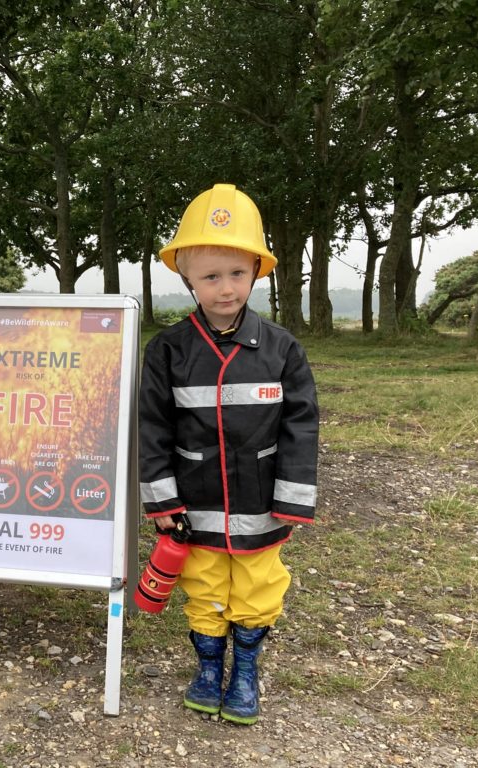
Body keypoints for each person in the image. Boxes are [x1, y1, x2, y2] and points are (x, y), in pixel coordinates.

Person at [139, 184, 318, 725]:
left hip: (261, 500)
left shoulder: (284, 348)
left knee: (258, 588)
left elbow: (300, 426)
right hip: (195, 507)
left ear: (257, 272)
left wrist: (292, 500)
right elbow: (152, 428)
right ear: (186, 277)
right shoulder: (167, 350)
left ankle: (245, 672)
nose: (225, 288)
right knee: (205, 587)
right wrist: (161, 499)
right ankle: (208, 669)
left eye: (236, 274)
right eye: (210, 276)